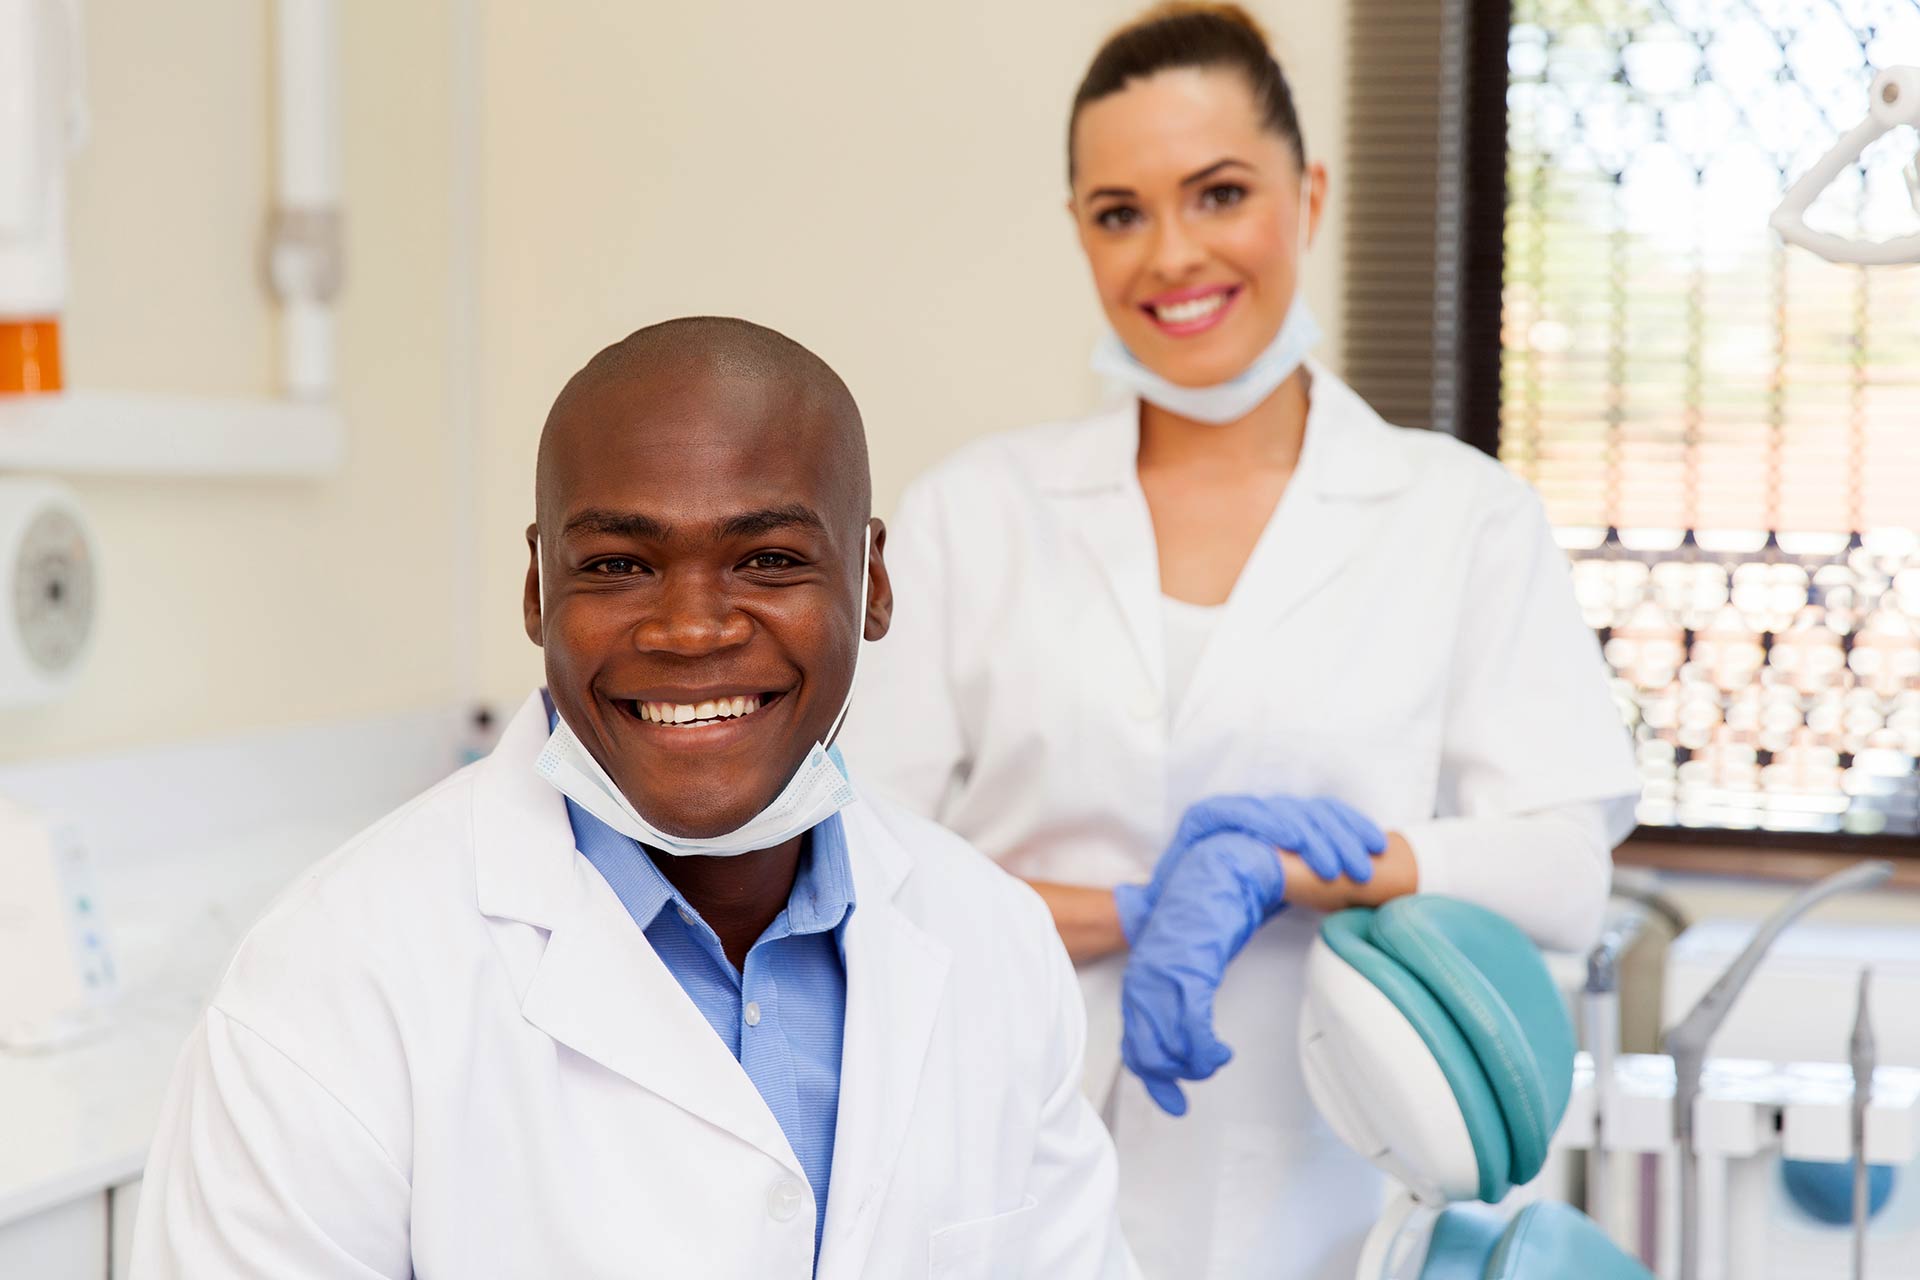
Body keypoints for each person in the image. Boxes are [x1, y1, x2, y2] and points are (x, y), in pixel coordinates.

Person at [839, 6, 1640, 1278]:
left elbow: (1560, 866)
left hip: (1331, 1186)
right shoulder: (972, 516)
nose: (1173, 254)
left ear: (1309, 194)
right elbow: (859, 874)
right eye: (1119, 211)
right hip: (1006, 1181)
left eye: (1219, 193)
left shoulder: (1458, 516)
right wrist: (1138, 908)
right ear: (1080, 233)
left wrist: (1287, 867)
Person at [131, 318, 1135, 1278]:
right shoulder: (330, 985)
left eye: (770, 559)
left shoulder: (994, 943)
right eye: (617, 565)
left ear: (872, 580)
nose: (692, 629)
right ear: (536, 588)